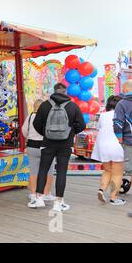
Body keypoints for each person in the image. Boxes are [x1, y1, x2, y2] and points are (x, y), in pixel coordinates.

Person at [29, 83, 86, 211]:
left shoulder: (45, 105)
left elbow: (36, 123)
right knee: (61, 172)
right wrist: (70, 133)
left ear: (53, 92)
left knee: (43, 169)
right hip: (65, 145)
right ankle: (58, 203)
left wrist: (46, 133)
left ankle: (39, 199)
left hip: (48, 143)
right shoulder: (73, 106)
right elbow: (81, 125)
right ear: (66, 92)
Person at [92, 95, 126, 205]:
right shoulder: (122, 115)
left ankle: (101, 189)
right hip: (116, 146)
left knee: (107, 170)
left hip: (102, 147)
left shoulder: (103, 115)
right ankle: (113, 198)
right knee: (117, 173)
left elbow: (99, 128)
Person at [23, 99, 55, 206]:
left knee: (33, 170)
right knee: (49, 170)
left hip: (32, 146)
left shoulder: (30, 117)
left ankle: (33, 194)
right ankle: (45, 193)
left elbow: (24, 132)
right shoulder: (48, 117)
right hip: (47, 146)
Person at [113, 79, 132, 217]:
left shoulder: (122, 104)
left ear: (125, 90)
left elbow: (118, 124)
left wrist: (120, 139)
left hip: (129, 142)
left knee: (130, 171)